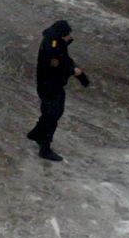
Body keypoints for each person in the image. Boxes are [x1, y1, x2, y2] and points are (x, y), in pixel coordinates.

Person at [26, 20, 90, 162]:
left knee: (50, 111)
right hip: (50, 85)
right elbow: (57, 65)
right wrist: (73, 71)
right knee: (53, 114)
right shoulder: (52, 47)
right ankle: (45, 147)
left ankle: (36, 133)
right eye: (67, 35)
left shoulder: (55, 42)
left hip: (49, 84)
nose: (69, 37)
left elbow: (64, 58)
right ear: (61, 35)